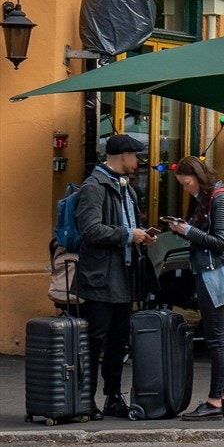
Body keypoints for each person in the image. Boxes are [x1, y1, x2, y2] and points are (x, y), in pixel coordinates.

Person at [71, 133, 153, 420]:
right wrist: (129, 235)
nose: (137, 162)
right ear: (122, 156)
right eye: (135, 157)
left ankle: (114, 397)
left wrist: (141, 237)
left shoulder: (126, 188)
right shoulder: (93, 187)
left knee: (119, 339)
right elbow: (90, 230)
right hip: (99, 276)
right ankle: (86, 399)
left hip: (124, 274)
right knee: (95, 339)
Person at [165, 156, 224, 421]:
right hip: (216, 270)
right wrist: (182, 229)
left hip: (214, 272)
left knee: (217, 338)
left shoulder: (219, 199)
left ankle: (214, 401)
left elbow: (220, 241)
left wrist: (186, 230)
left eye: (187, 183)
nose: (186, 189)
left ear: (198, 176)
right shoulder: (211, 198)